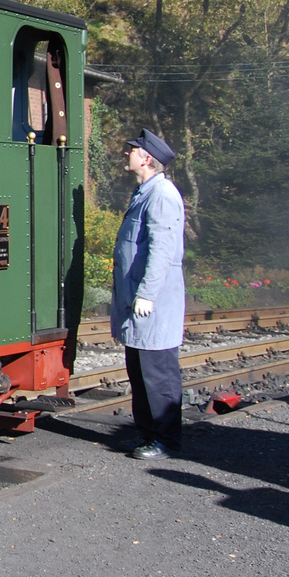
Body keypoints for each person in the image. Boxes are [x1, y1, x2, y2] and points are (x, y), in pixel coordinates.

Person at [112, 128, 186, 459]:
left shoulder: (162, 195)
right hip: (138, 304)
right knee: (141, 373)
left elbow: (162, 250)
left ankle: (166, 439)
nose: (126, 153)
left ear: (146, 158)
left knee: (158, 375)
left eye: (132, 150)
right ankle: (148, 435)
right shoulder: (145, 192)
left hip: (150, 304)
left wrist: (147, 294)